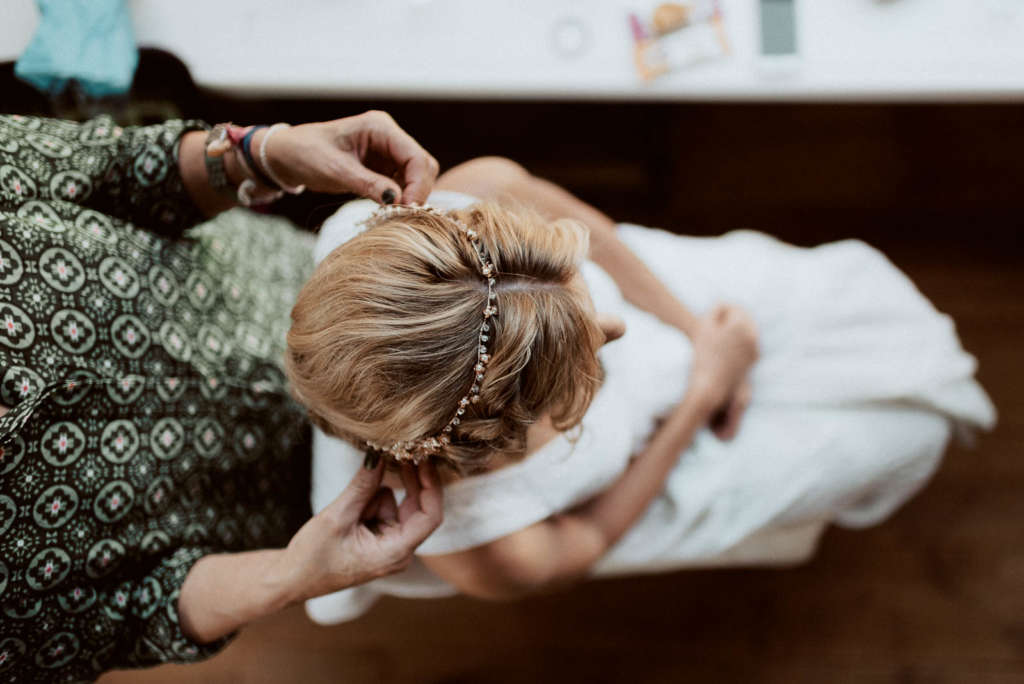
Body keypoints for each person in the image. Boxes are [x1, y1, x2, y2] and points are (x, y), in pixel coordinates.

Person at [290, 157, 996, 623]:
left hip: (683, 311)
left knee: (866, 298)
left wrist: (693, 330)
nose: (613, 325)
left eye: (579, 294)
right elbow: (592, 536)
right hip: (667, 448)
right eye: (582, 358)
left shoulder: (463, 205)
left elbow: (590, 232)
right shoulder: (487, 547)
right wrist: (701, 397)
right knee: (911, 434)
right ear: (502, 426)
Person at [0, 111, 443, 681]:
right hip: (312, 501)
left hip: (330, 292)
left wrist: (264, 154)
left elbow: (125, 169)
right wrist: (293, 575)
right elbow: (135, 616)